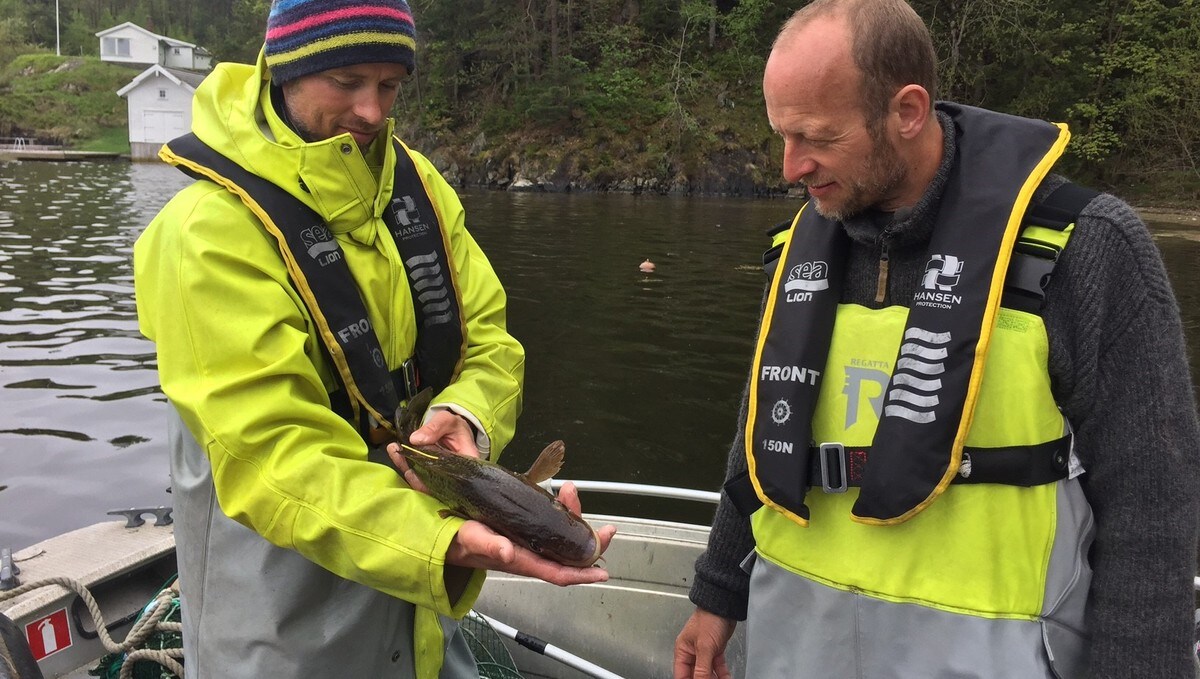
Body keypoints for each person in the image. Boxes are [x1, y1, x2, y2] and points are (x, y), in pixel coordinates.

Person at [673, 1, 1200, 678]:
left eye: (817, 138)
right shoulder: (795, 253)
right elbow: (759, 441)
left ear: (908, 111)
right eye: (782, 135)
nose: (790, 166)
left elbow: (1152, 510)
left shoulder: (1085, 249)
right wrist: (717, 593)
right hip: (796, 651)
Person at [133, 1, 614, 677]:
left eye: (389, 85)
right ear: (288, 70)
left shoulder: (420, 188)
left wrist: (467, 414)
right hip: (283, 631)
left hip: (419, 616)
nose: (372, 111)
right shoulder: (204, 235)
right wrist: (441, 539)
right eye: (348, 80)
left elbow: (491, 343)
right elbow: (275, 457)